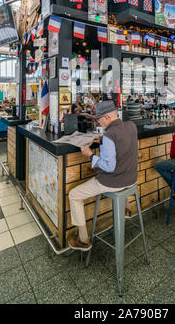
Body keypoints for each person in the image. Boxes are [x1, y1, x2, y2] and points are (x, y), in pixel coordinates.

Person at [68, 100, 138, 251]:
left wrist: (90, 155)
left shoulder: (109, 136)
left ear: (106, 117)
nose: (98, 123)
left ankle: (83, 239)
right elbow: (123, 145)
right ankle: (126, 209)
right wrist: (101, 140)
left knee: (74, 195)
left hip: (113, 182)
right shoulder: (131, 126)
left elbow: (109, 166)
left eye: (99, 119)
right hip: (131, 179)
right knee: (122, 168)